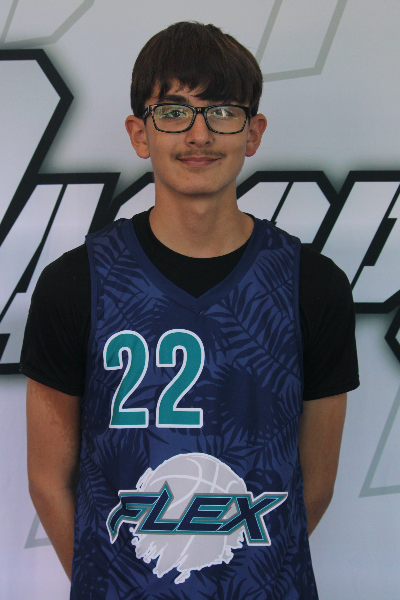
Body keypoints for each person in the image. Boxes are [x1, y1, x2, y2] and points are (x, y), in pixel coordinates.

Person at [21, 21, 359, 600]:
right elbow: (47, 480)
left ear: (253, 133)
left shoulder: (313, 284)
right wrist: (114, 585)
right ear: (139, 133)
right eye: (173, 111)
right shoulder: (74, 283)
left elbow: (316, 482)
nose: (199, 133)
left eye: (222, 111)